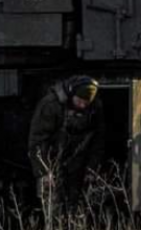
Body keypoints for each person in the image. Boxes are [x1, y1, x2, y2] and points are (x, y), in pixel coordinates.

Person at [27, 75, 104, 213]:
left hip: (76, 166)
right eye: (79, 101)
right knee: (53, 210)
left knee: (77, 210)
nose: (82, 106)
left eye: (85, 103)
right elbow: (37, 140)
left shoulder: (94, 108)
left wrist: (92, 169)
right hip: (50, 165)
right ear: (71, 93)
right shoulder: (51, 105)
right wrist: (43, 172)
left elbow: (97, 141)